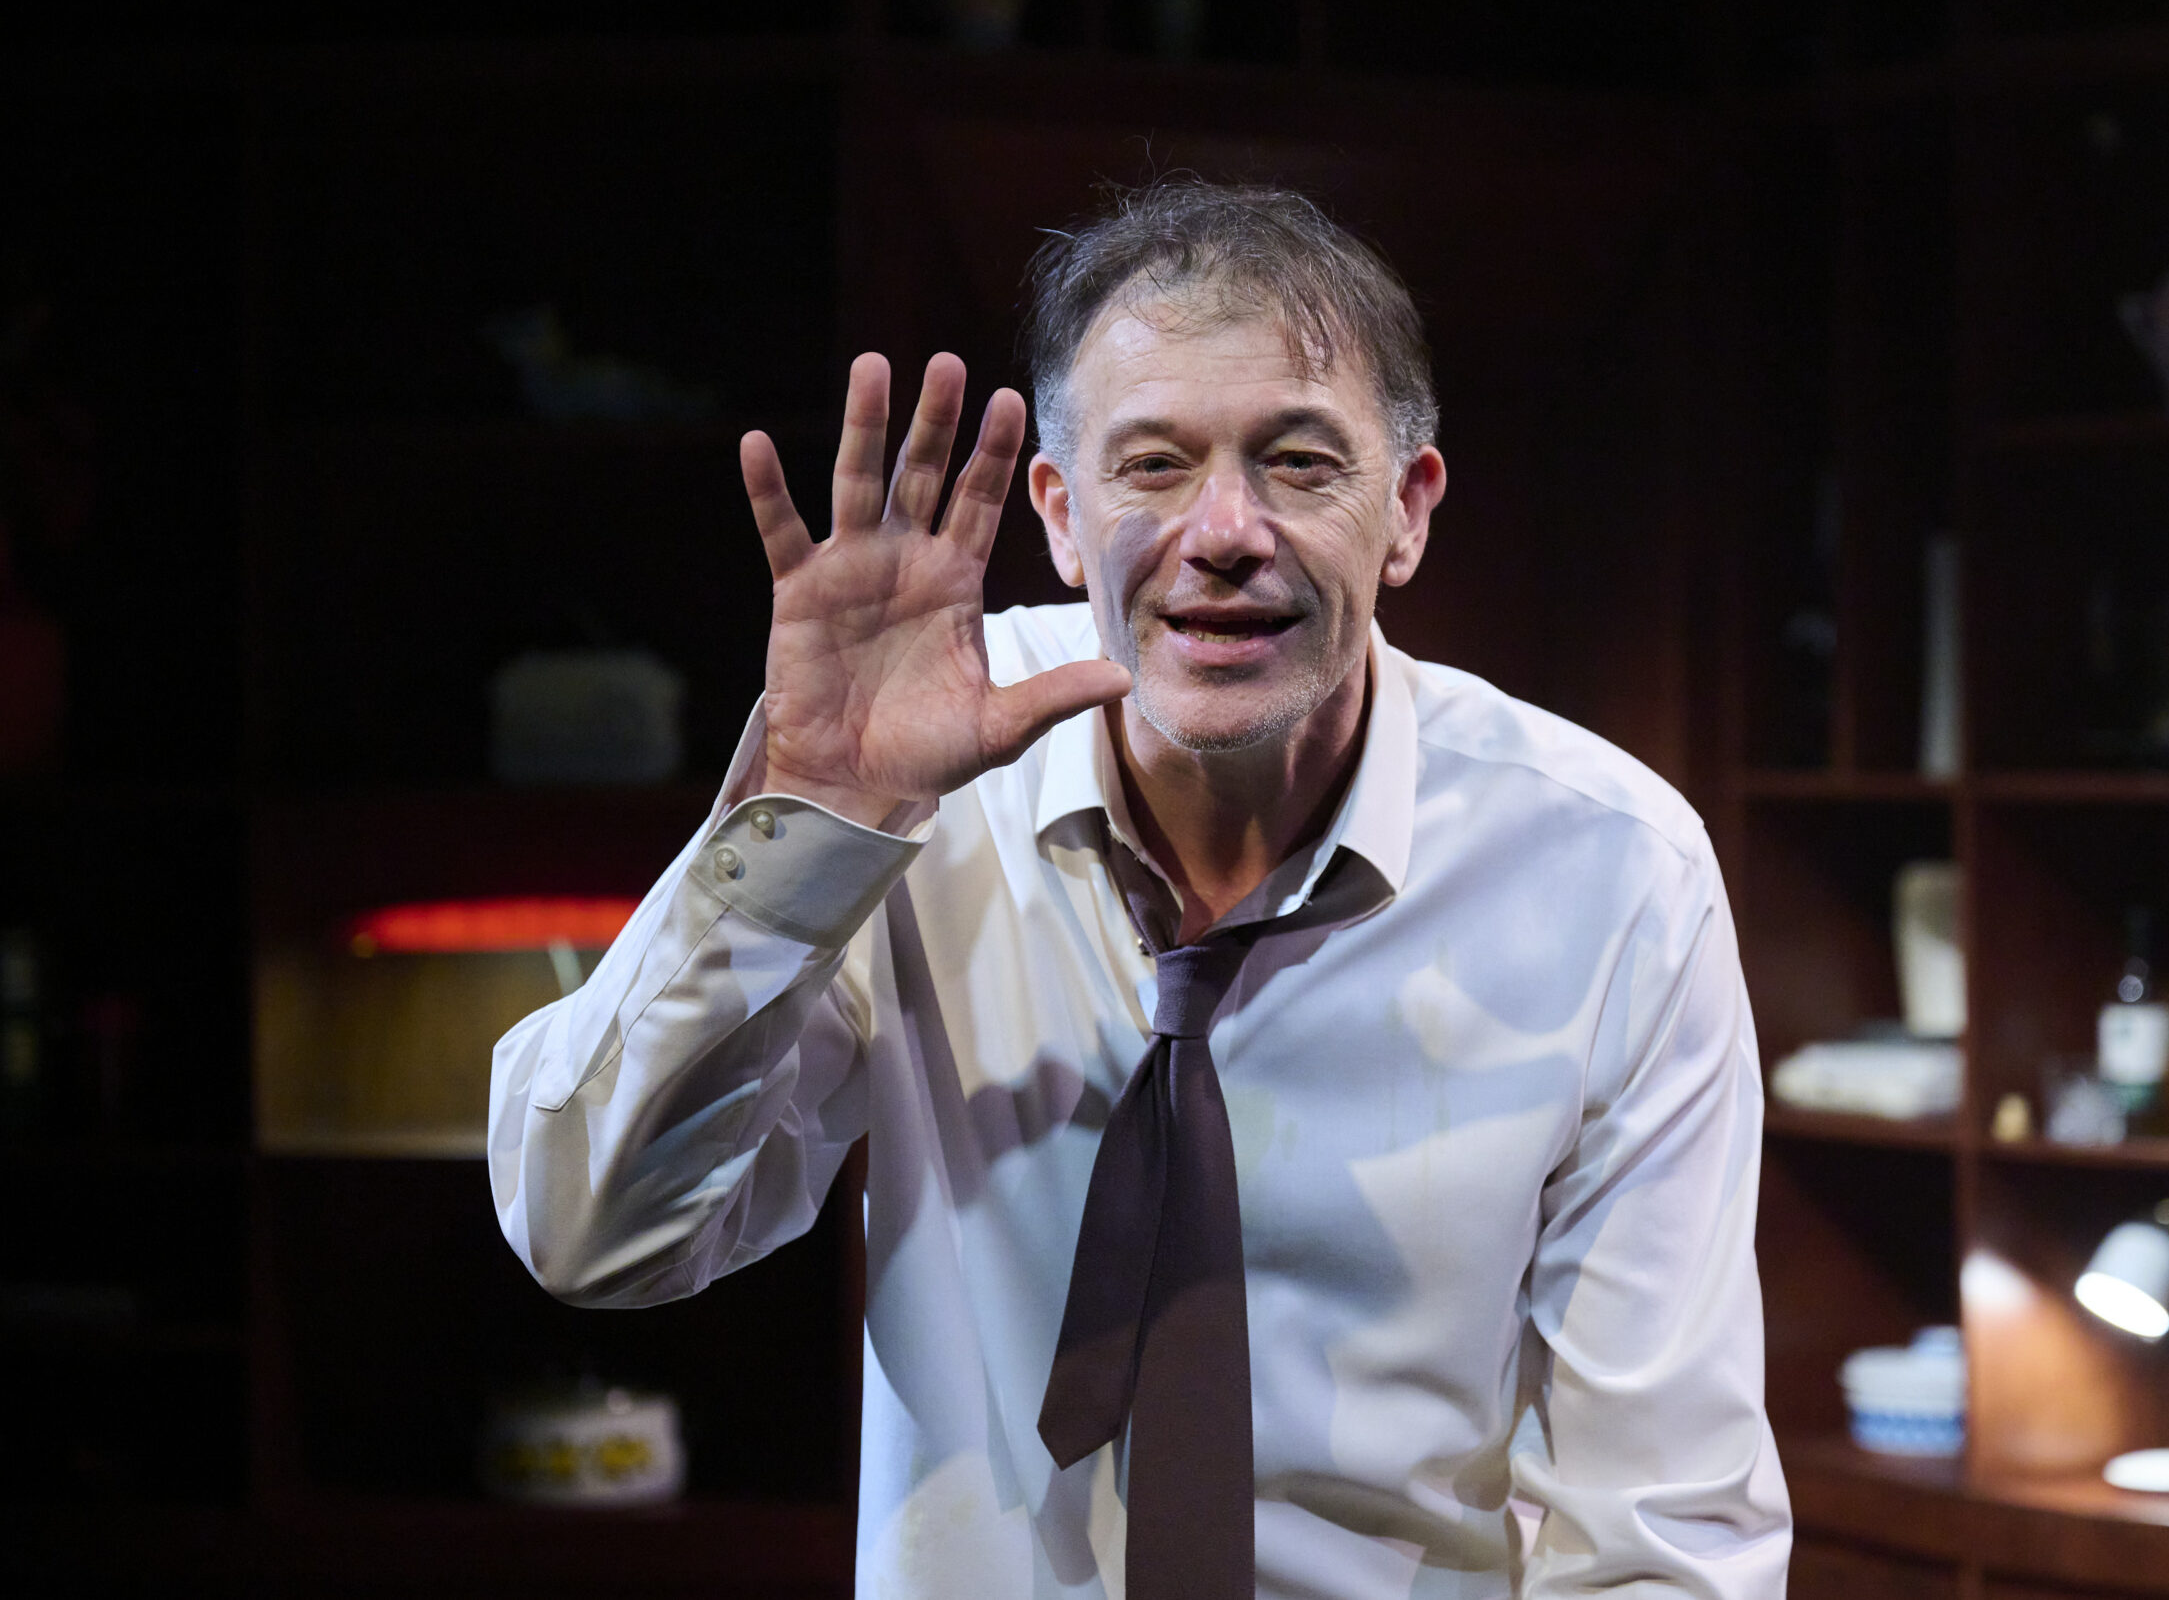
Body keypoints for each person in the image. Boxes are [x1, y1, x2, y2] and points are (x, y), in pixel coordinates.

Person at [489, 181, 1789, 1599]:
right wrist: (809, 821)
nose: (1224, 529)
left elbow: (1660, 1531)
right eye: (1154, 465)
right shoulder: (924, 775)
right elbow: (594, 1234)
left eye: (1299, 463)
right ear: (1057, 511)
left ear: (1407, 513)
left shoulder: (1611, 873)